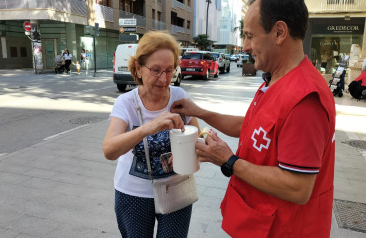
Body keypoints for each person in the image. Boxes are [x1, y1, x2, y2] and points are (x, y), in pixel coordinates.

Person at [171, 0, 336, 237]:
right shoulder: (276, 80)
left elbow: (297, 187)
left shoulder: (304, 99)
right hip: (259, 222)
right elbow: (249, 126)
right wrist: (199, 112)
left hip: (285, 229)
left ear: (279, 32)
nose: (245, 46)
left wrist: (229, 161)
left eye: (250, 36)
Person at [102, 31, 200, 238]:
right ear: (138, 67)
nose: (164, 79)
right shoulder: (126, 103)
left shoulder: (179, 97)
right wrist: (148, 127)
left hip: (176, 188)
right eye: (155, 70)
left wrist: (198, 147)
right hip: (133, 194)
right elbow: (109, 150)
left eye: (169, 70)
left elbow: (197, 134)